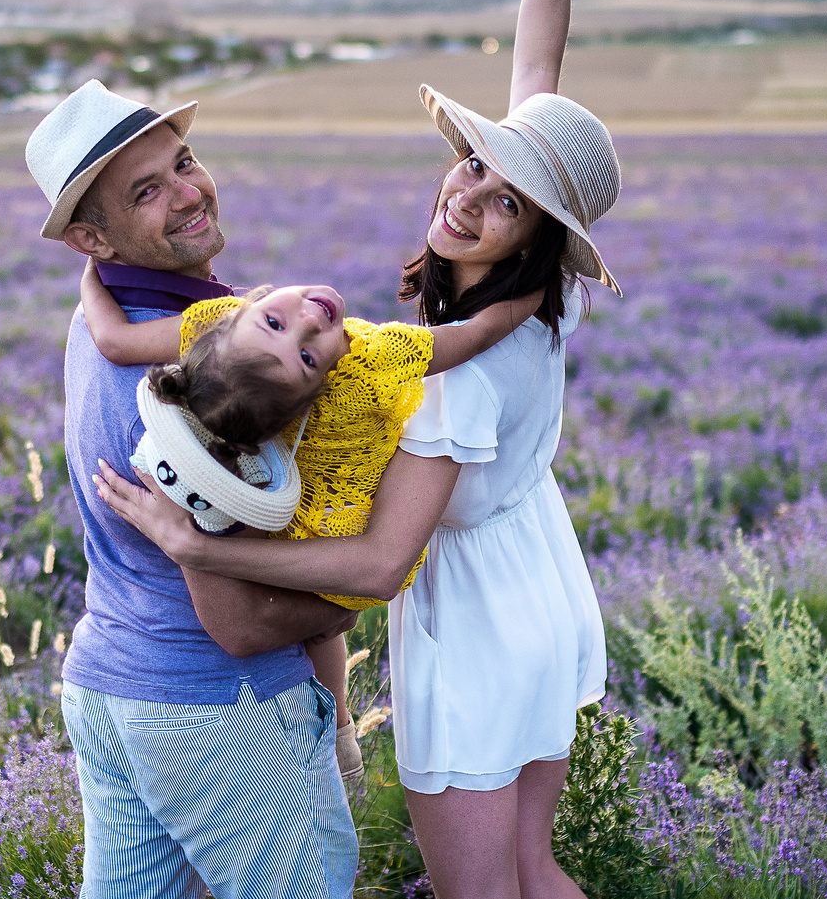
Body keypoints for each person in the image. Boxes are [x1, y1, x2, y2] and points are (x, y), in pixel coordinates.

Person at [91, 0, 652, 899]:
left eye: (504, 198)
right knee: (534, 870)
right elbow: (540, 59)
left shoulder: (447, 379)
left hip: (474, 615)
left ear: (535, 235)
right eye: (473, 163)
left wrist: (200, 545)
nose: (467, 190)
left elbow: (375, 568)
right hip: (541, 588)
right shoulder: (528, 307)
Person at [17, 79, 363, 899]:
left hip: (110, 687)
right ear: (92, 231)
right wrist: (358, 597)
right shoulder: (198, 375)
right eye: (144, 188)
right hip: (218, 711)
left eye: (183, 163)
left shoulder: (115, 321)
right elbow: (241, 622)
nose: (186, 193)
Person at [76, 263, 542, 785]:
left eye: (276, 325)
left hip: (304, 534)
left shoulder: (224, 328)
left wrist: (89, 280)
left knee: (320, 634)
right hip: (325, 537)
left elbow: (114, 340)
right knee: (323, 627)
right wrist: (538, 291)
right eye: (305, 355)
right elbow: (476, 333)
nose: (308, 322)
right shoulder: (373, 357)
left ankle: (338, 730)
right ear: (312, 390)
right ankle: (338, 734)